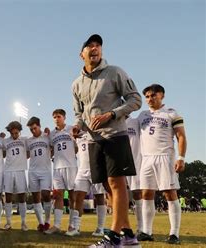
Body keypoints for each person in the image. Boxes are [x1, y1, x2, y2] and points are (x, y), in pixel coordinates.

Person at [71, 34, 141, 247]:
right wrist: (77, 126)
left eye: (98, 45)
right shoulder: (76, 84)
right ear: (81, 54)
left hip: (115, 136)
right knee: (107, 186)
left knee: (116, 184)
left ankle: (113, 237)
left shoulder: (115, 72)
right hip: (94, 141)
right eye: (89, 46)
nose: (95, 48)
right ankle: (129, 235)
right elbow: (80, 114)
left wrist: (111, 114)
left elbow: (135, 99)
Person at [137, 84, 187, 245]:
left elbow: (181, 137)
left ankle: (174, 233)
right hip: (146, 159)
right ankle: (147, 231)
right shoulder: (142, 115)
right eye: (147, 97)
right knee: (146, 193)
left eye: (153, 95)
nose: (150, 99)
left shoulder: (171, 113)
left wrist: (181, 157)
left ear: (162, 95)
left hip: (165, 157)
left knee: (169, 193)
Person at [66, 132, 107, 237]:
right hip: (82, 170)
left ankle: (100, 228)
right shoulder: (77, 135)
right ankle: (76, 227)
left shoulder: (97, 132)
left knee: (99, 197)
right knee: (78, 197)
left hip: (96, 168)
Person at [47, 109, 78, 234]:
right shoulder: (52, 134)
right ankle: (57, 225)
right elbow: (50, 149)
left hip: (70, 166)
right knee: (58, 195)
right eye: (54, 117)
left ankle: (72, 225)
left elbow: (77, 147)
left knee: (72, 196)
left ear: (64, 117)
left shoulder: (72, 129)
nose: (56, 119)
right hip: (56, 167)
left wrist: (70, 156)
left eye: (58, 116)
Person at [25, 117, 52, 232]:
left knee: (46, 194)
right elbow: (26, 155)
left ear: (39, 126)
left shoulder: (47, 137)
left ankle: (47, 221)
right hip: (32, 171)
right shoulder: (28, 140)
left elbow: (54, 148)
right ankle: (41, 223)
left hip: (45, 170)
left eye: (35, 128)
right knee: (36, 197)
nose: (33, 131)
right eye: (31, 129)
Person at [2, 121, 29, 231]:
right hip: (8, 170)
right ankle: (8, 222)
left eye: (16, 133)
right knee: (8, 197)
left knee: (22, 197)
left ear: (19, 131)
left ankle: (23, 223)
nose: (14, 135)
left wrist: (21, 160)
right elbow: (2, 154)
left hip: (20, 171)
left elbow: (29, 152)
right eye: (12, 133)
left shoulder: (25, 140)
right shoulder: (5, 141)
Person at [126, 116, 143, 234]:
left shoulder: (136, 121)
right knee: (115, 194)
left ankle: (141, 227)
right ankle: (123, 228)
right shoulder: (112, 124)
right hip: (118, 163)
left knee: (137, 194)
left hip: (136, 162)